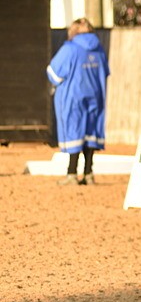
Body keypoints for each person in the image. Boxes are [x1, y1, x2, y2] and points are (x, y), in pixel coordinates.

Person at [46, 18, 110, 185]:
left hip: (73, 98)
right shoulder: (99, 49)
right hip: (95, 97)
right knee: (91, 133)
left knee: (74, 132)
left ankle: (71, 174)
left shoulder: (70, 49)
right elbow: (105, 72)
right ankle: (88, 173)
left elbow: (53, 73)